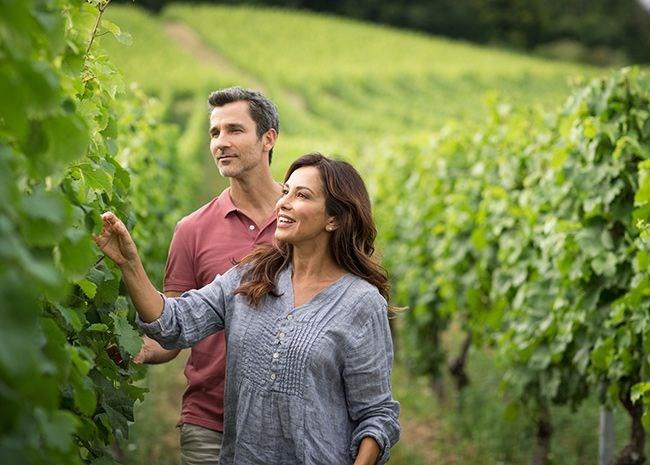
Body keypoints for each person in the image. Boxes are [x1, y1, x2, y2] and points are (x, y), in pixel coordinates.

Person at [94, 153, 400, 464]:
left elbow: (376, 414)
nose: (283, 203)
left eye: (302, 195)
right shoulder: (250, 276)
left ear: (334, 219)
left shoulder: (361, 303)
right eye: (286, 192)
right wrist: (130, 264)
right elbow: (174, 323)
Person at [133, 87, 283, 465]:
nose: (221, 142)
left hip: (288, 423)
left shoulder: (303, 220)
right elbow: (173, 328)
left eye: (234, 130)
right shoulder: (192, 230)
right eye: (215, 132)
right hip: (210, 422)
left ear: (268, 138)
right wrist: (138, 349)